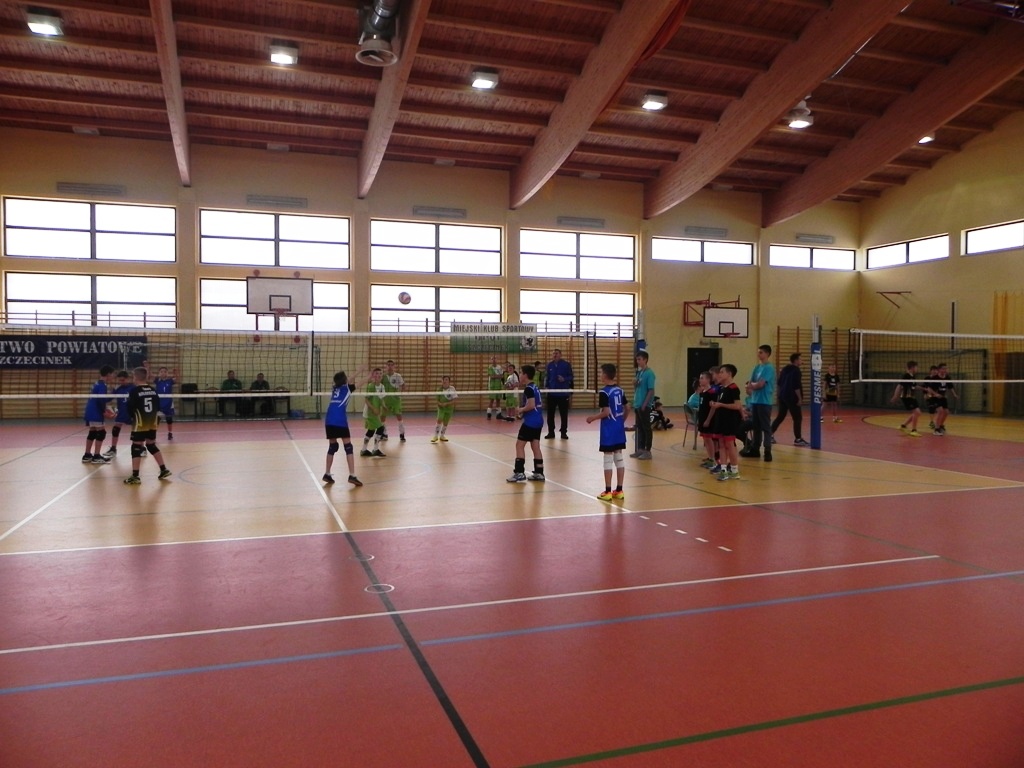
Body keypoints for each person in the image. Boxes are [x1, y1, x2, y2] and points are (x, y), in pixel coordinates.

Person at [122, 366, 172, 485]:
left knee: (136, 446)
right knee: (151, 445)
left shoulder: (134, 391)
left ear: (135, 377)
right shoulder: (153, 390)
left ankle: (135, 476)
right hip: (152, 422)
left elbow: (130, 408)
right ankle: (164, 469)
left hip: (140, 423)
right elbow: (158, 407)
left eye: (133, 376)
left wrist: (130, 418)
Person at [586, 363, 627, 501]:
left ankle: (608, 491)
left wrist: (593, 418)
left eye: (600, 373)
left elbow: (606, 412)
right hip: (619, 429)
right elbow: (628, 407)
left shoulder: (604, 392)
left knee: (608, 458)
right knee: (619, 457)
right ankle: (619, 490)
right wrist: (621, 421)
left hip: (608, 429)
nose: (599, 375)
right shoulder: (620, 390)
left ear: (605, 375)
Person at [323, 371, 362, 487]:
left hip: (329, 420)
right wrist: (368, 375)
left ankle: (327, 473)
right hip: (339, 420)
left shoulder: (335, 388)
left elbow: (348, 380)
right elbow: (360, 382)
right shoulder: (348, 389)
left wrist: (359, 371)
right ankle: (352, 475)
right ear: (345, 380)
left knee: (333, 447)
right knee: (348, 447)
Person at [507, 364, 545, 483]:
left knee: (519, 445)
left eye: (521, 373)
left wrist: (521, 410)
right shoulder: (534, 387)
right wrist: (523, 414)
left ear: (525, 375)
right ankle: (539, 473)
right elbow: (535, 405)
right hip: (538, 420)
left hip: (531, 422)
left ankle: (519, 473)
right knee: (535, 446)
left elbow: (531, 405)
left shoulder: (528, 389)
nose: (519, 375)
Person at [705, 363, 743, 480]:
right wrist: (715, 404)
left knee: (729, 444)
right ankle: (723, 469)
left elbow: (737, 406)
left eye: (722, 372)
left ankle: (734, 470)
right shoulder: (721, 388)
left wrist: (721, 405)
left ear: (729, 374)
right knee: (721, 444)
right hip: (720, 419)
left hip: (730, 420)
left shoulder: (733, 388)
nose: (719, 374)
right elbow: (720, 403)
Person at [742, 344, 776, 461]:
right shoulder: (757, 367)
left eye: (761, 352)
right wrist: (752, 385)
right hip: (755, 400)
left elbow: (760, 384)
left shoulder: (769, 368)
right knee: (756, 426)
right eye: (758, 352)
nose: (758, 354)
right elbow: (749, 383)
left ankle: (767, 451)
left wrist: (753, 385)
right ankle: (755, 449)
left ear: (767, 354)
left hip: (764, 401)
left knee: (765, 427)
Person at [772, 352, 807, 446]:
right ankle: (798, 439)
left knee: (780, 416)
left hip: (783, 396)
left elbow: (779, 383)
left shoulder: (785, 369)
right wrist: (799, 398)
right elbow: (796, 386)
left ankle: (769, 435)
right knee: (797, 418)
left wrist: (779, 395)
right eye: (800, 359)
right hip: (792, 397)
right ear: (796, 360)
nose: (802, 361)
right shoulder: (796, 371)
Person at [82, 365, 115, 464]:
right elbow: (101, 400)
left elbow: (101, 399)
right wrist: (104, 412)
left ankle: (87, 455)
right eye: (112, 374)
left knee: (92, 433)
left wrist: (113, 395)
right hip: (96, 412)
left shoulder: (96, 383)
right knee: (101, 433)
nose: (113, 376)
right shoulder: (102, 385)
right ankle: (96, 456)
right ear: (108, 374)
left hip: (90, 411)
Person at [630, 350, 655, 460]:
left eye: (640, 359)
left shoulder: (650, 373)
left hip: (644, 405)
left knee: (646, 428)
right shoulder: (640, 373)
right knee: (639, 428)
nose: (638, 361)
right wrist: (635, 384)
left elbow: (651, 390)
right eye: (637, 359)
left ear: (645, 360)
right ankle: (640, 449)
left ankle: (647, 451)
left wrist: (645, 404)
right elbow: (638, 388)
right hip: (637, 404)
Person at [102, 370, 134, 458]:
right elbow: (109, 399)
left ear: (128, 379)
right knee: (115, 430)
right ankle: (113, 449)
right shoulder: (118, 389)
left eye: (123, 380)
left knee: (136, 431)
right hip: (122, 412)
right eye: (120, 380)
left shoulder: (133, 387)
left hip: (132, 413)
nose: (121, 382)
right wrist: (101, 396)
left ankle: (141, 448)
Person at [544, 348, 574, 439]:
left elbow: (571, 376)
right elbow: (547, 377)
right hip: (551, 393)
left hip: (563, 393)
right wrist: (546, 387)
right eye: (553, 353)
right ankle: (551, 432)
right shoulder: (549, 365)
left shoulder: (566, 364)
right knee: (550, 414)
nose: (555, 355)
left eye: (556, 353)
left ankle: (563, 432)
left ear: (560, 355)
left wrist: (564, 379)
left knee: (564, 414)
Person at [361, 368, 387, 458]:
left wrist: (384, 406)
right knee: (380, 428)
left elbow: (381, 398)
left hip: (375, 412)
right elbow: (366, 400)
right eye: (376, 373)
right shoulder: (371, 386)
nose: (379, 375)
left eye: (380, 373)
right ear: (373, 376)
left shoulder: (382, 386)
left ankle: (364, 450)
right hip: (369, 412)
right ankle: (375, 449)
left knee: (371, 431)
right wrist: (373, 409)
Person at [891, 360, 922, 437]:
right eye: (916, 367)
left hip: (911, 397)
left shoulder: (912, 377)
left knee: (918, 413)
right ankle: (913, 430)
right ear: (912, 368)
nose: (917, 369)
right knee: (917, 412)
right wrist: (895, 396)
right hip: (906, 397)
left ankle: (903, 426)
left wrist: (924, 389)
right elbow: (899, 386)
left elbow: (914, 386)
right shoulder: (906, 376)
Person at [930, 363, 959, 435]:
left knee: (946, 412)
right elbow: (929, 389)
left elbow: (951, 387)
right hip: (935, 398)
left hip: (943, 398)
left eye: (946, 368)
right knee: (940, 411)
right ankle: (936, 430)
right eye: (943, 368)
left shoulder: (947, 378)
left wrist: (954, 394)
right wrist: (936, 394)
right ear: (939, 369)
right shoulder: (935, 378)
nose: (945, 370)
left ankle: (940, 426)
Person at [382, 359, 406, 441]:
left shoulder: (398, 376)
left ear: (394, 366)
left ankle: (402, 434)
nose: (390, 366)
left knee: (399, 416)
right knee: (382, 417)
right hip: (385, 400)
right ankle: (384, 434)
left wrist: (400, 394)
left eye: (391, 365)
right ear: (385, 366)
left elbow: (403, 385)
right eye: (388, 365)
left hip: (395, 400)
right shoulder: (383, 376)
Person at [431, 375, 458, 443]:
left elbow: (455, 400)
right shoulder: (439, 389)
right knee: (439, 420)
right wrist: (440, 404)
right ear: (441, 381)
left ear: (449, 381)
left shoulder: (452, 389)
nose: (445, 381)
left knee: (446, 422)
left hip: (449, 408)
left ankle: (442, 436)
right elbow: (437, 400)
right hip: (441, 408)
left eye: (446, 380)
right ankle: (435, 436)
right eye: (443, 380)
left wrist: (447, 404)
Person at [154, 366, 177, 440]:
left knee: (169, 419)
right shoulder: (157, 380)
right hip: (159, 403)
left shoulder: (170, 381)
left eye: (165, 371)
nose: (163, 373)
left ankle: (170, 433)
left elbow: (176, 379)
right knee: (157, 419)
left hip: (168, 403)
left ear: (167, 373)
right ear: (159, 373)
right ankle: (153, 434)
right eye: (161, 372)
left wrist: (175, 373)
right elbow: (149, 376)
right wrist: (147, 367)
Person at [485, 355, 505, 420]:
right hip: (492, 386)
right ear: (491, 360)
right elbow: (491, 376)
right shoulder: (490, 367)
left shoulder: (499, 367)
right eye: (493, 359)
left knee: (498, 400)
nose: (494, 360)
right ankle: (489, 414)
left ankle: (498, 414)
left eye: (495, 359)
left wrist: (496, 376)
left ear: (497, 360)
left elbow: (502, 376)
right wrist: (498, 376)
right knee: (491, 400)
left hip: (499, 386)